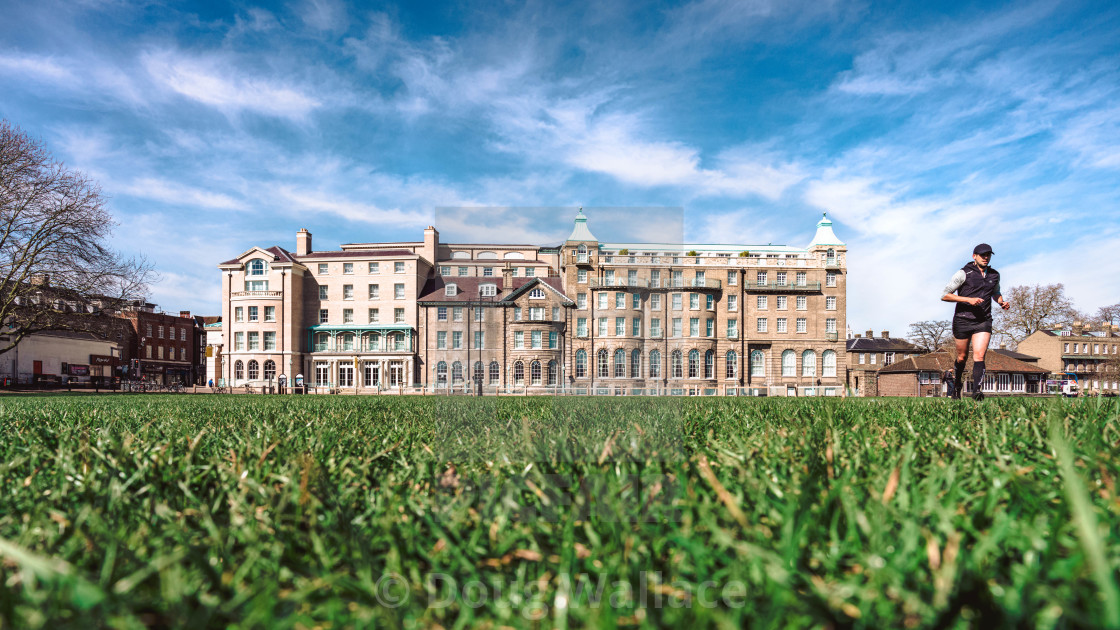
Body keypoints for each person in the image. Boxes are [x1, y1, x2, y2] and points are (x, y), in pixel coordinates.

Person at [941, 243, 1010, 400]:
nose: (986, 258)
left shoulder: (994, 275)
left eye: (988, 255)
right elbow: (945, 295)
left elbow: (996, 292)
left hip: (983, 320)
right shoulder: (963, 273)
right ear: (974, 256)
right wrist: (968, 300)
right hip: (963, 319)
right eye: (982, 255)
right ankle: (957, 387)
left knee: (979, 355)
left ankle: (977, 391)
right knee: (962, 357)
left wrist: (1001, 302)